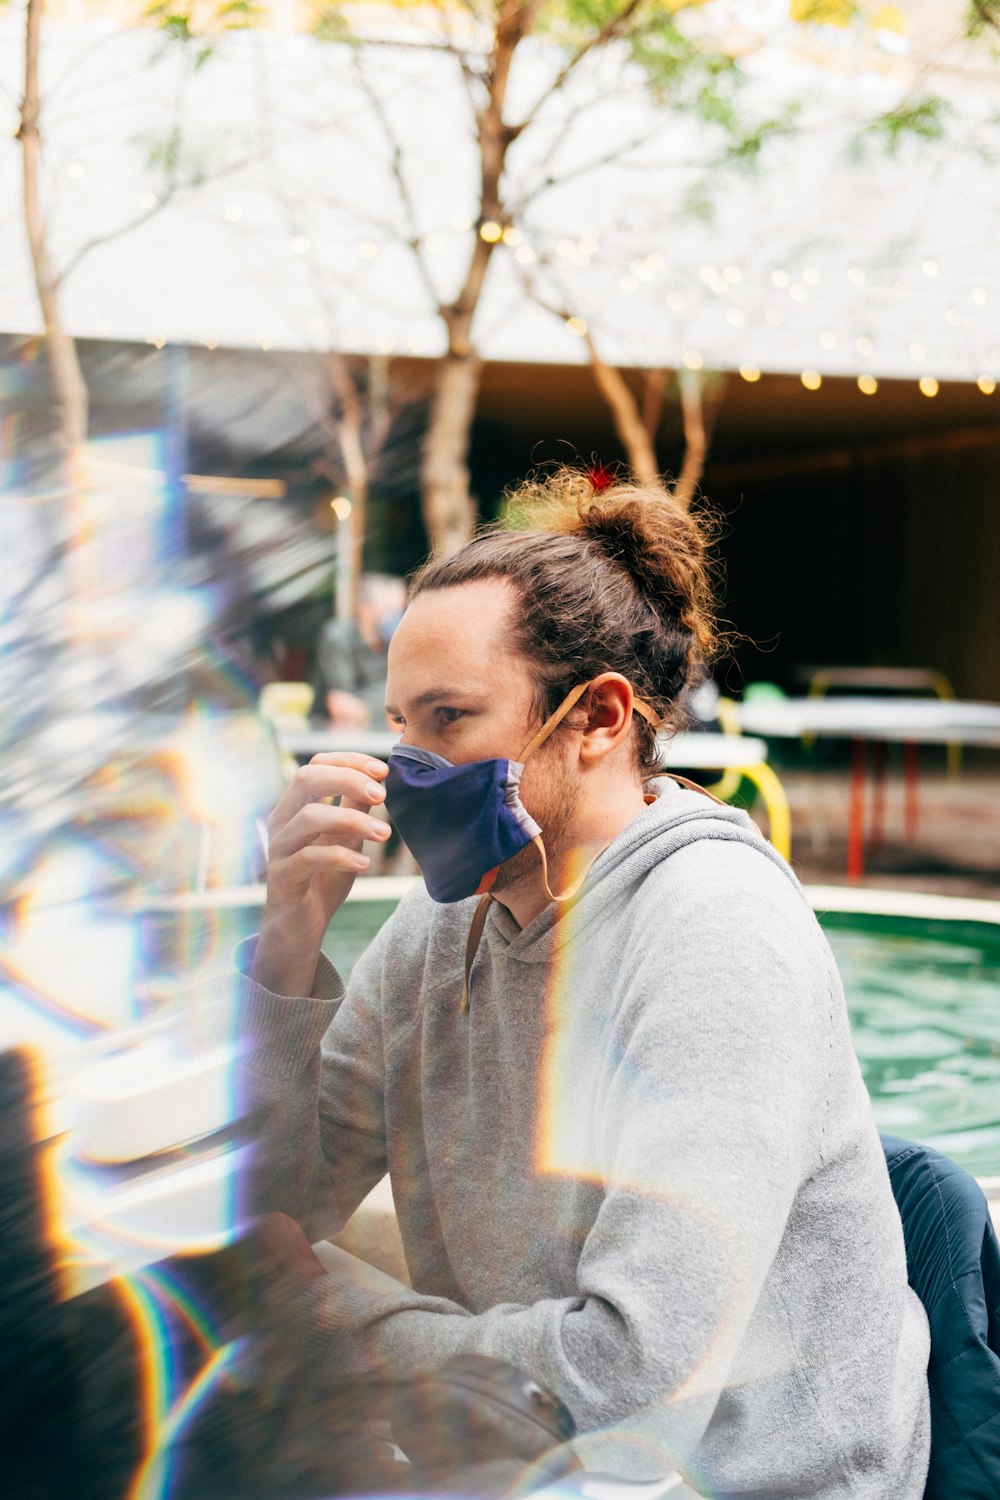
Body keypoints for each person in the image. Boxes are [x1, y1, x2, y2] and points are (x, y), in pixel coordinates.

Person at [237, 470, 930, 1497]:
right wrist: (286, 946)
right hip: (508, 1453)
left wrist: (323, 1313)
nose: (404, 765)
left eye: (449, 718)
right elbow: (274, 1203)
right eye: (398, 724)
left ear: (597, 718)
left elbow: (631, 1387)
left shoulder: (716, 932)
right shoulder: (441, 921)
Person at [315, 573, 406, 728]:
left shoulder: (394, 643)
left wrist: (363, 707)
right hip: (329, 735)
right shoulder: (337, 638)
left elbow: (405, 694)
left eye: (400, 611)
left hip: (377, 734)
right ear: (365, 609)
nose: (396, 619)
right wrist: (390, 702)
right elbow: (341, 706)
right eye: (390, 611)